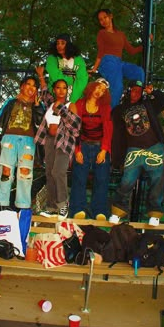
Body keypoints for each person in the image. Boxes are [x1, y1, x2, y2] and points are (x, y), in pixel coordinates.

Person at [110, 80, 164, 226]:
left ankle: (155, 212)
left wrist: (153, 93)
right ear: (128, 91)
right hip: (135, 150)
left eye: (139, 91)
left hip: (154, 148)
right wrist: (118, 159)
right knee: (127, 180)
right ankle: (119, 211)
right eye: (133, 90)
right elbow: (118, 135)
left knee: (158, 180)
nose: (136, 93)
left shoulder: (148, 105)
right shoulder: (120, 110)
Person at [0, 76, 44, 209]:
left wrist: (37, 107)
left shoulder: (39, 105)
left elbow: (40, 126)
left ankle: (23, 205)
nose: (31, 88)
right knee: (6, 171)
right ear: (22, 86)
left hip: (28, 142)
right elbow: (0, 119)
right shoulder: (11, 102)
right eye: (28, 84)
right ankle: (1, 203)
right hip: (9, 139)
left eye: (34, 86)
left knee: (25, 172)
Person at [34, 77, 81, 220]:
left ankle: (62, 205)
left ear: (68, 90)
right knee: (49, 173)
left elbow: (76, 127)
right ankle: (51, 207)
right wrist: (41, 77)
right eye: (58, 88)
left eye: (64, 88)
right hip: (49, 141)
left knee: (58, 172)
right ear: (54, 90)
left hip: (64, 143)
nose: (61, 90)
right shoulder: (50, 103)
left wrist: (60, 108)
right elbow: (44, 93)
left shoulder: (70, 105)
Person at [69, 78, 113, 220]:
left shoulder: (105, 107)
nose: (99, 92)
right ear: (92, 87)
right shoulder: (79, 104)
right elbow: (75, 129)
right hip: (83, 146)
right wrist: (77, 150)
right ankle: (78, 209)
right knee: (79, 178)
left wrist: (104, 150)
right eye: (98, 88)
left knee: (101, 178)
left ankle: (99, 210)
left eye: (103, 91)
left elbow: (108, 129)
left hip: (100, 147)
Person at [89, 9, 145, 109]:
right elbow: (101, 52)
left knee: (138, 72)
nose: (103, 21)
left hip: (119, 63)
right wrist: (94, 68)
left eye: (105, 17)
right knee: (118, 88)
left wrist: (146, 44)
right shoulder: (102, 33)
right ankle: (111, 114)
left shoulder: (121, 34)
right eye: (100, 19)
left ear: (111, 16)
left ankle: (136, 102)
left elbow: (131, 51)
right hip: (107, 61)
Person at [46, 33, 88, 103]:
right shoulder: (52, 59)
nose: (59, 46)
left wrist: (72, 101)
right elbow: (56, 77)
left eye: (62, 43)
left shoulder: (79, 59)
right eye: (57, 43)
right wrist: (73, 79)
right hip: (55, 98)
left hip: (76, 98)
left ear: (69, 45)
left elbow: (82, 80)